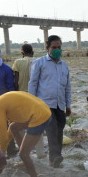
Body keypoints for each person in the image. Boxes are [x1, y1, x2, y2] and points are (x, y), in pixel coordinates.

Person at [28, 34, 71, 168]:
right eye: (54, 47)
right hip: (44, 104)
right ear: (47, 48)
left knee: (59, 129)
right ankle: (55, 158)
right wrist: (32, 104)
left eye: (59, 47)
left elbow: (67, 87)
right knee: (52, 129)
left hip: (60, 104)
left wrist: (68, 105)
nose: (57, 50)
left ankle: (55, 157)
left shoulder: (64, 66)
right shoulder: (39, 63)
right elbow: (33, 83)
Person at [13, 44, 45, 158]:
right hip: (35, 97)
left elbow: (16, 82)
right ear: (32, 51)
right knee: (36, 123)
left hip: (22, 97)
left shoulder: (18, 62)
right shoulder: (38, 61)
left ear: (22, 52)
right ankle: (41, 152)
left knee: (21, 124)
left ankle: (25, 150)